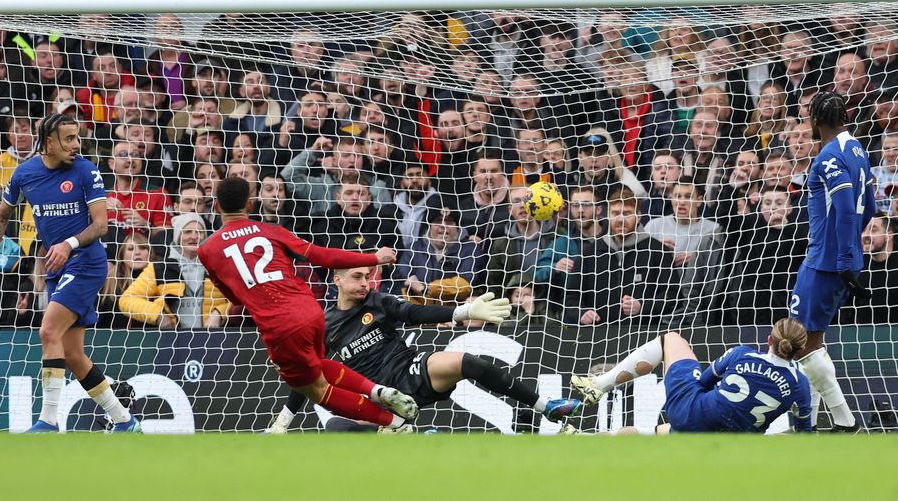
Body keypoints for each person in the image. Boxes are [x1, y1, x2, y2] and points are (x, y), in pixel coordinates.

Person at [198, 176, 419, 430]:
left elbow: (235, 299)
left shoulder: (208, 249)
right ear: (250, 205)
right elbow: (322, 255)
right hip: (311, 310)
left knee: (317, 391)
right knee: (317, 367)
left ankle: (394, 423)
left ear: (216, 207)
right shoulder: (272, 231)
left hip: (280, 325)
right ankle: (377, 390)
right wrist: (373, 257)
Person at [0, 113, 140, 432]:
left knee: (48, 332)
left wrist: (68, 243)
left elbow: (101, 225)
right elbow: (2, 218)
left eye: (77, 137)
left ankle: (48, 421)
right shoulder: (25, 174)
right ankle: (125, 421)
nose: (76, 145)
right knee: (74, 356)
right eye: (69, 139)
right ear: (48, 142)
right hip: (56, 267)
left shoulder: (86, 171)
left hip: (86, 263)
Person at [267, 266, 582, 433]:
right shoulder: (324, 323)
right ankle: (407, 435)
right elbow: (310, 373)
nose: (365, 283)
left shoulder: (379, 302)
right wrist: (285, 419)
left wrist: (463, 312)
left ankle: (546, 407)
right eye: (357, 277)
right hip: (376, 393)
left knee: (466, 362)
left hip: (409, 370)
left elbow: (415, 314)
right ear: (336, 279)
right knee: (339, 428)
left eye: (368, 276)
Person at [789, 91, 875, 432]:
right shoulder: (858, 149)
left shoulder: (827, 156)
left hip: (824, 262)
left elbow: (842, 207)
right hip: (842, 261)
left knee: (797, 341)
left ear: (814, 120)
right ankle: (814, 424)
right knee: (812, 343)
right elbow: (868, 206)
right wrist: (853, 250)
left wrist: (840, 256)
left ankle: (837, 420)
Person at [570, 318, 813, 434]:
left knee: (671, 339)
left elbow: (704, 381)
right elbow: (804, 433)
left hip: (694, 413)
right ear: (802, 350)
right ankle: (582, 439)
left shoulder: (742, 354)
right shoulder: (801, 385)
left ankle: (598, 385)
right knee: (660, 432)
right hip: (734, 444)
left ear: (769, 340)